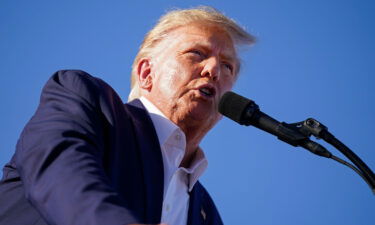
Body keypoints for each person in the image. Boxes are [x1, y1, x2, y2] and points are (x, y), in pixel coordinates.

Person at [0, 6, 255, 225]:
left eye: (227, 66)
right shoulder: (91, 102)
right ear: (146, 73)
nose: (213, 70)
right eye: (196, 54)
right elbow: (58, 172)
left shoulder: (206, 215)